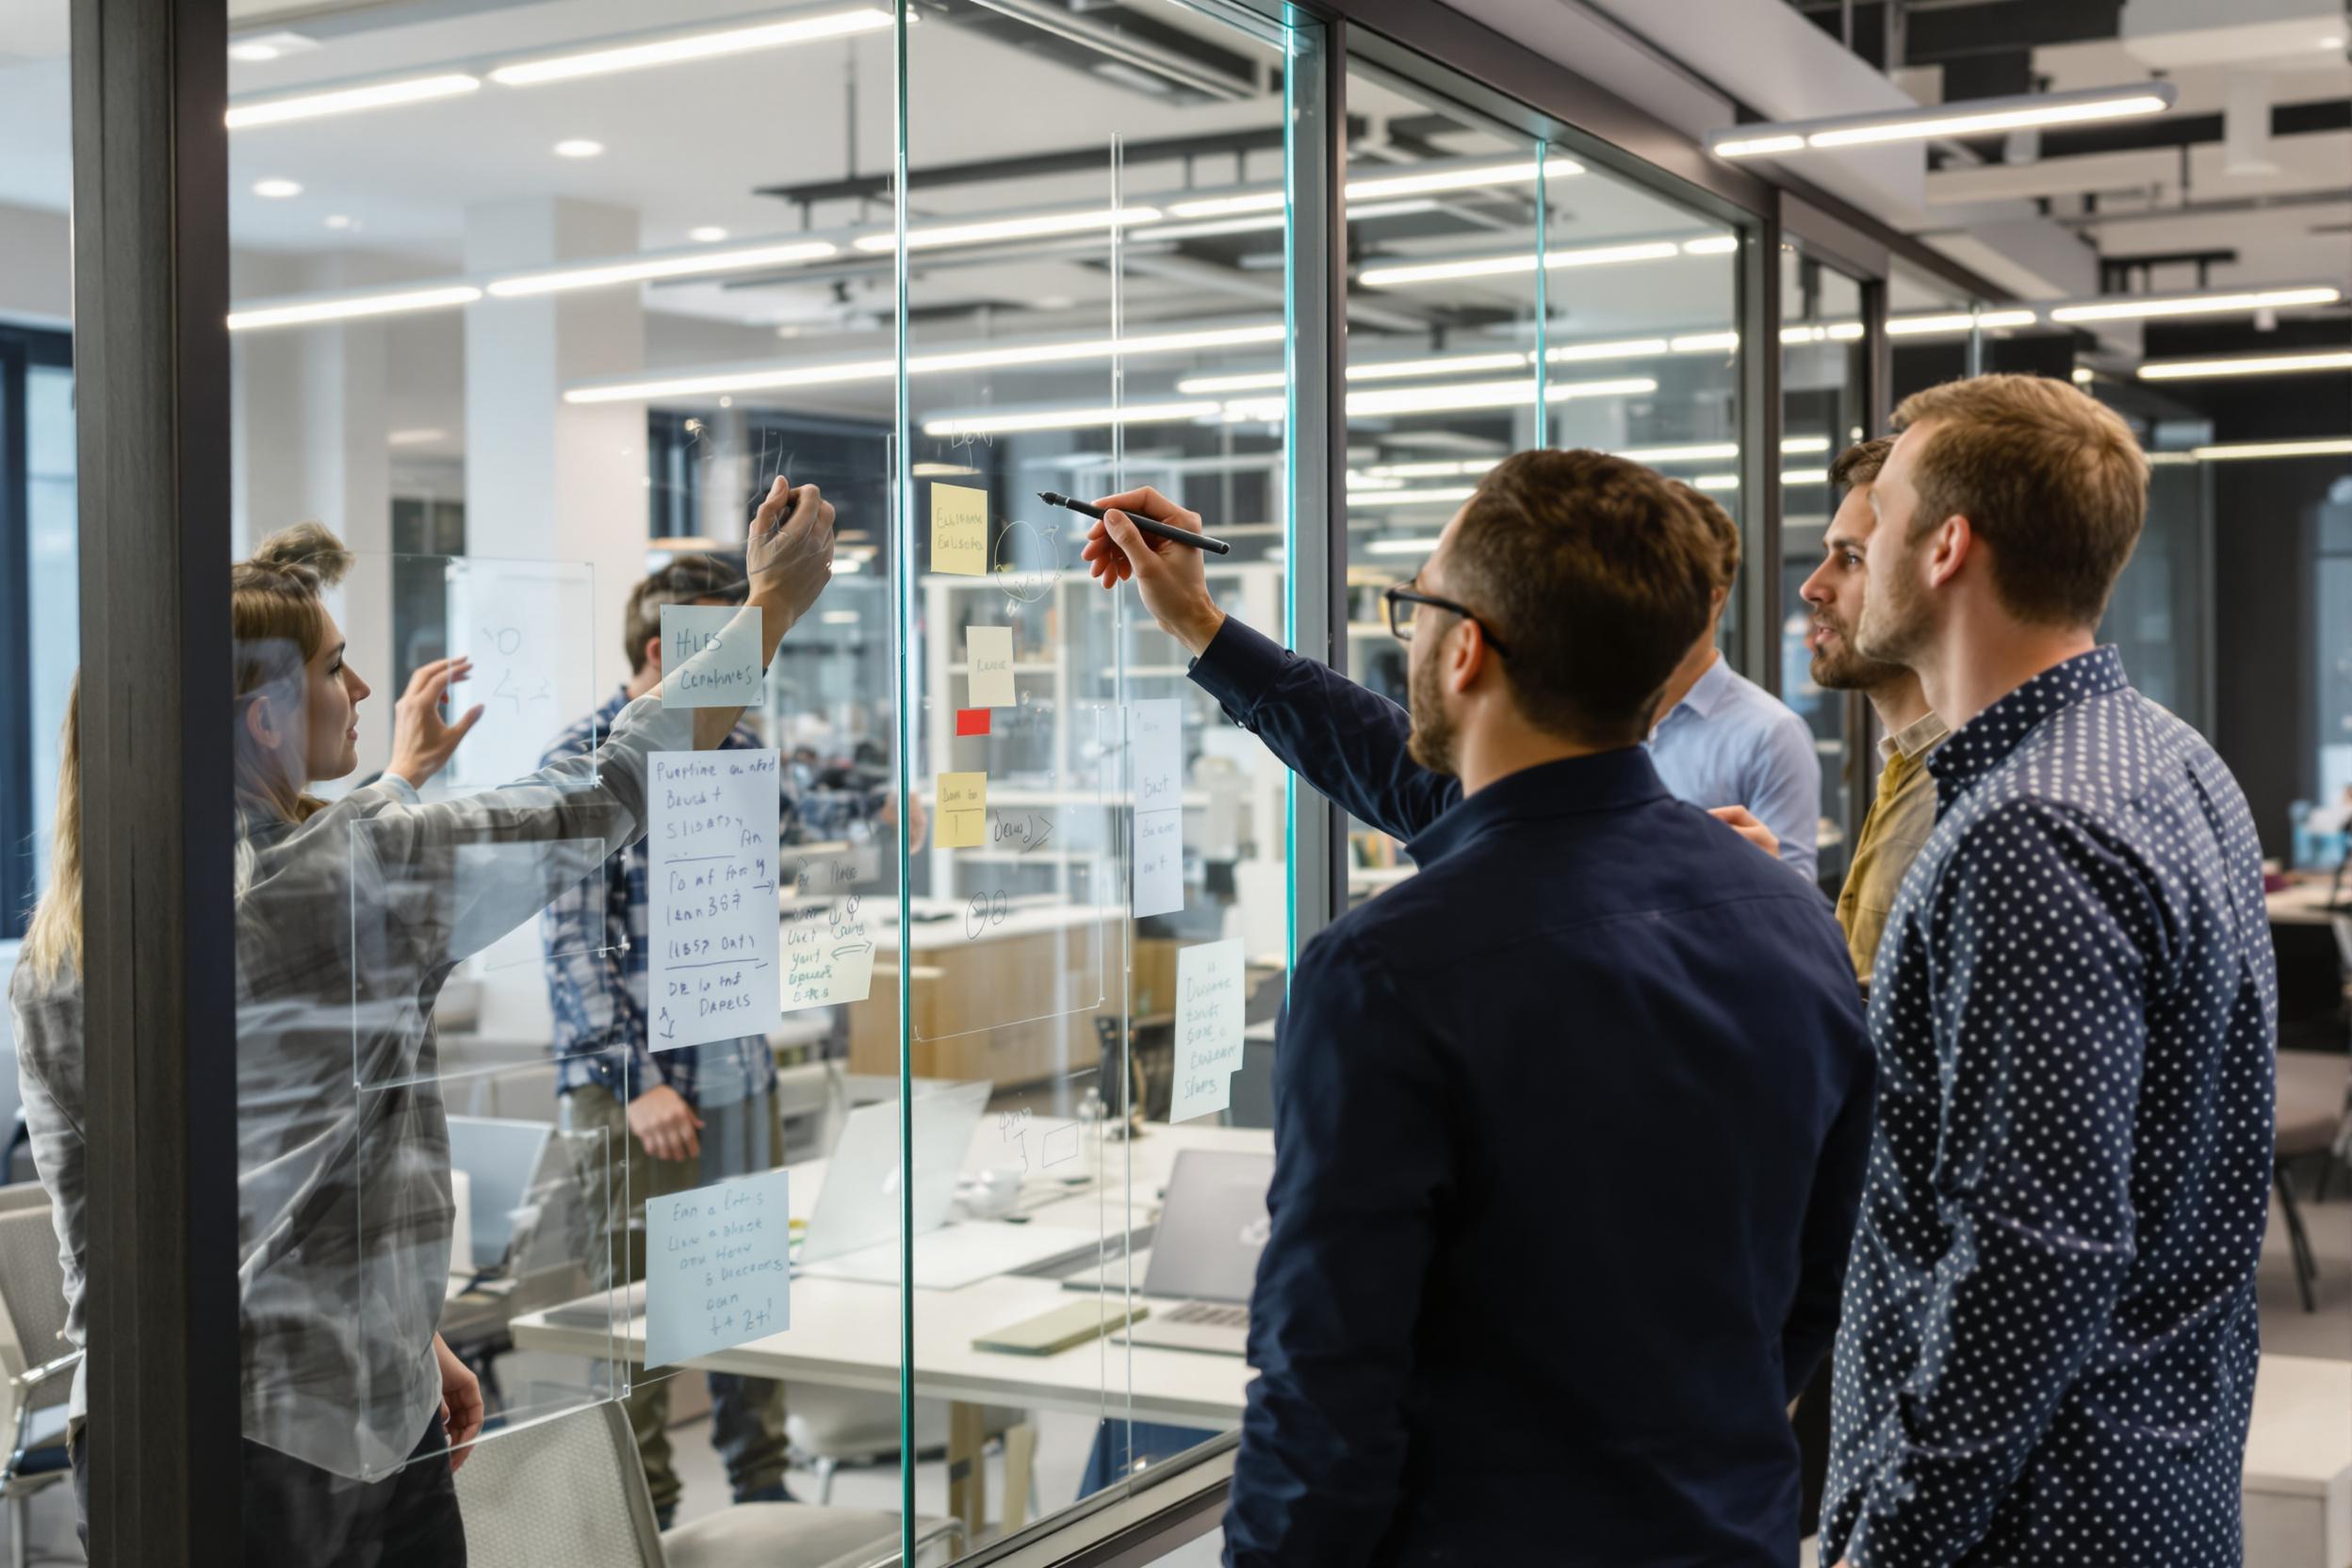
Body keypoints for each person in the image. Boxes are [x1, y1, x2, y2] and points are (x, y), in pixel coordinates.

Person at [9, 478, 832, 1563]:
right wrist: (767, 607)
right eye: (333, 665)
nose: (360, 686)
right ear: (262, 713)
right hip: (318, 1453)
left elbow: (137, 1226)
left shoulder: (72, 935)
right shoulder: (358, 869)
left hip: (157, 1427)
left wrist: (405, 1334)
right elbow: (607, 785)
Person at [1086, 452, 1875, 1564]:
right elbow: (1813, 1291)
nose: (1401, 634)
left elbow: (1325, 1398)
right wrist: (1202, 622)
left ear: (1463, 649)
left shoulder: (1387, 975)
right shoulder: (1792, 921)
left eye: (1411, 604)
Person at [1821, 375, 2277, 1567]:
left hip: (2035, 1518)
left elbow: (2034, 1257)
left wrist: (1893, 1540)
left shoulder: (2028, 826)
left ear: (1948, 548)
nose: (1855, 556)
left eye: (1881, 527)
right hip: (2148, 1470)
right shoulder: (2171, 757)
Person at [540, 553, 887, 1528]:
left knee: (743, 1302)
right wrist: (634, 1077)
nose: (754, 665)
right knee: (640, 1327)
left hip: (738, 1070)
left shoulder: (738, 746)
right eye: (732, 644)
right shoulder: (585, 758)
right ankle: (643, 1524)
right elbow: (572, 942)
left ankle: (765, 1500)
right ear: (665, 650)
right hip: (641, 1091)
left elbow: (814, 831)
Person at [1797, 438, 1947, 992]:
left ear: (1943, 564)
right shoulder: (1909, 766)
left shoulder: (1975, 789)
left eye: (1852, 558)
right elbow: (1875, 996)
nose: (1812, 586)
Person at [1647, 483, 1822, 881]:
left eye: (1663, 583)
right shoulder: (1592, 715)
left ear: (1714, 599)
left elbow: (1796, 908)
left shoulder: (1771, 735)